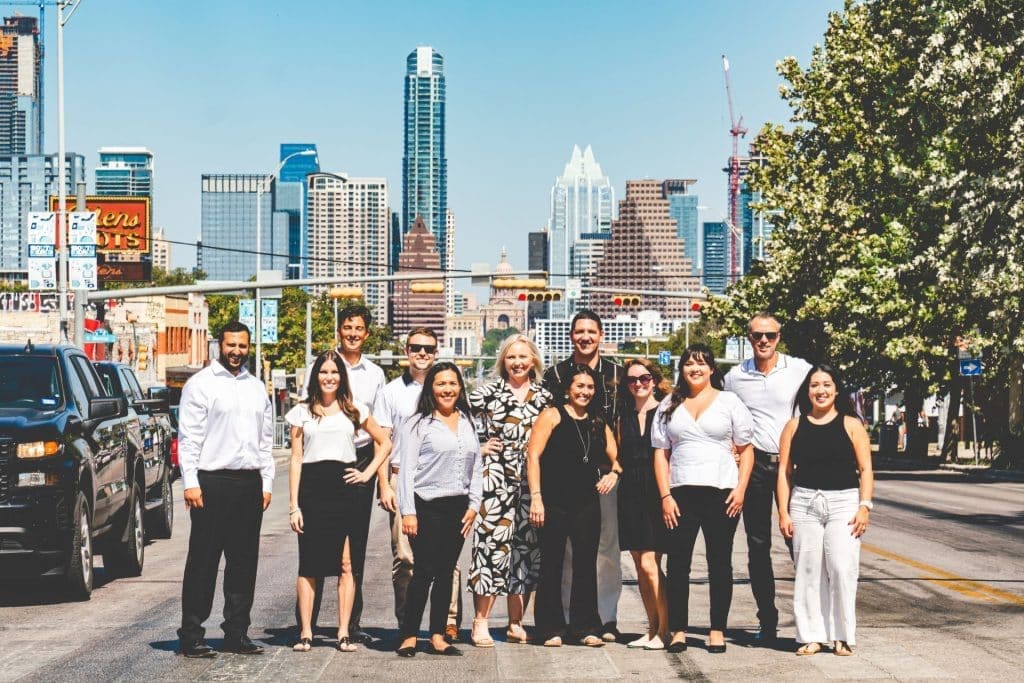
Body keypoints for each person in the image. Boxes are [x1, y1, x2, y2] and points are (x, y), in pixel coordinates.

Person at [176, 321, 274, 658]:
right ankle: (191, 635)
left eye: (242, 346)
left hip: (248, 484)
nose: (236, 352)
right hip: (212, 482)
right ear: (220, 344)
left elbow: (265, 440)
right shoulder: (200, 385)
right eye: (231, 345)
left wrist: (267, 481)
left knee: (243, 563)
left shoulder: (257, 387)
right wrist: (190, 482)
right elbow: (189, 439)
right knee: (203, 561)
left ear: (249, 346)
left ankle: (236, 632)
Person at [285, 350, 391, 652]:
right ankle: (305, 632)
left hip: (345, 490)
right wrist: (294, 505)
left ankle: (343, 633)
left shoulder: (354, 408)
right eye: (323, 372)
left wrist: (367, 473)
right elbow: (295, 459)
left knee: (346, 563)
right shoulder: (301, 412)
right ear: (315, 376)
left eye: (334, 372)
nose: (329, 377)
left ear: (341, 378)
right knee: (309, 564)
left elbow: (384, 442)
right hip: (312, 490)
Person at [653, 344, 754, 654]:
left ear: (712, 369)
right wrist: (665, 495)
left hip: (722, 492)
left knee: (720, 563)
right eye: (688, 364)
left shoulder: (730, 401)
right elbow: (660, 453)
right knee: (678, 563)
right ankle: (679, 629)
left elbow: (747, 449)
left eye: (701, 364)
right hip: (681, 493)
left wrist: (740, 489)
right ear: (681, 369)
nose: (694, 369)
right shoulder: (669, 404)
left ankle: (716, 630)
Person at [723, 312, 811, 645]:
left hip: (793, 465)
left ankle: (810, 621)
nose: (763, 341)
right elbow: (726, 414)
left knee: (799, 542)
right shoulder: (735, 376)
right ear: (749, 337)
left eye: (770, 336)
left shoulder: (799, 369)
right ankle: (768, 621)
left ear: (779, 337)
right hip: (756, 465)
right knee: (758, 546)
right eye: (757, 335)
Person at [777, 364, 873, 656]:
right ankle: (811, 636)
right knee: (808, 570)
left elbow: (866, 468)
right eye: (815, 385)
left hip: (843, 502)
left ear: (836, 389)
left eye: (827, 384)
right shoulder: (794, 426)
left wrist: (864, 506)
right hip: (804, 503)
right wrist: (783, 511)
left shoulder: (851, 425)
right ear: (807, 391)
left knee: (842, 568)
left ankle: (842, 636)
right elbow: (784, 472)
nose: (821, 390)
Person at [374, 328, 463, 639]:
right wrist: (384, 484)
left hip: (445, 483)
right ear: (406, 350)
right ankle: (406, 622)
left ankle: (448, 621)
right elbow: (382, 440)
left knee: (447, 559)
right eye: (416, 347)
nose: (422, 353)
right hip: (402, 478)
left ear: (436, 352)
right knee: (406, 557)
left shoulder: (449, 388)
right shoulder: (391, 392)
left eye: (428, 348)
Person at [542, 309, 624, 641]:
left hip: (604, 475)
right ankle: (562, 619)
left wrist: (618, 468)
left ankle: (604, 618)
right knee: (562, 554)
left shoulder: (617, 374)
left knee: (604, 549)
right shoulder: (554, 374)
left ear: (601, 335)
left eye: (592, 331)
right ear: (571, 335)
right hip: (562, 480)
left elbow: (623, 423)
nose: (585, 337)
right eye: (579, 331)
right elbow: (543, 422)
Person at [466, 334, 552, 646]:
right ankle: (481, 621)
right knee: (490, 549)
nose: (517, 363)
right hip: (496, 482)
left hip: (532, 486)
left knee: (525, 553)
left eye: (523, 357)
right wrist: (479, 446)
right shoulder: (486, 394)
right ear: (503, 361)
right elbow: (456, 420)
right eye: (511, 357)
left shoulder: (546, 398)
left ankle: (516, 622)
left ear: (533, 362)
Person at [395, 363, 483, 657]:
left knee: (447, 572)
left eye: (453, 384)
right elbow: (406, 471)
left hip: (458, 507)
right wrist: (408, 511)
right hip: (426, 505)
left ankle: (437, 635)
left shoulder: (468, 421)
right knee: (424, 570)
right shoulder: (417, 424)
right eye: (441, 384)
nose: (447, 389)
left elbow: (477, 466)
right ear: (431, 388)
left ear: (460, 387)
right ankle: (409, 634)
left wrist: (474, 503)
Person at [616, 358, 672, 650]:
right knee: (639, 563)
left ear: (654, 380)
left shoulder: (666, 411)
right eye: (632, 380)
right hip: (629, 493)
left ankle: (665, 629)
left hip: (655, 491)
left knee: (651, 563)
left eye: (644, 378)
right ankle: (651, 628)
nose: (639, 384)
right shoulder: (622, 415)